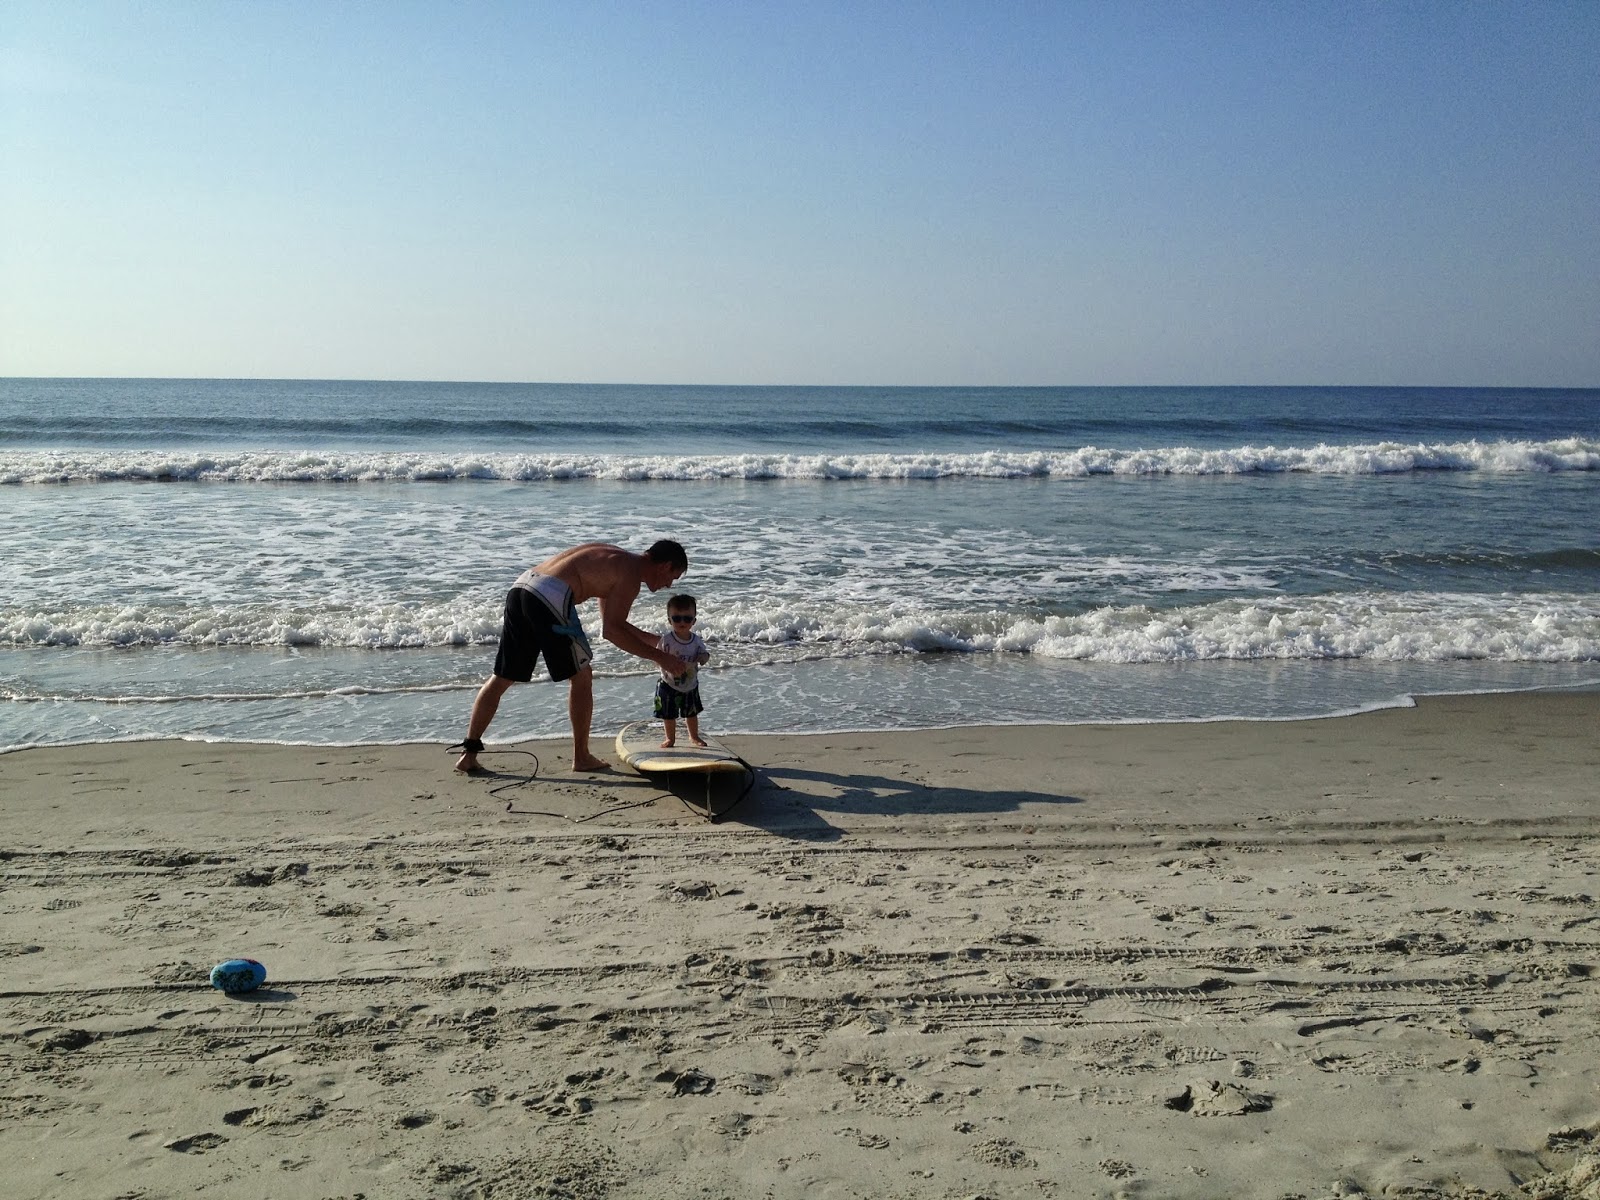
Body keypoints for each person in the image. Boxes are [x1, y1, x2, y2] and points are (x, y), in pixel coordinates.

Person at [453, 540, 689, 773]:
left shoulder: (618, 560)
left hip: (522, 587)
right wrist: (661, 658)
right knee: (582, 676)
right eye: (673, 577)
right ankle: (581, 757)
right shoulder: (631, 575)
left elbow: (612, 623)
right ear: (665, 566)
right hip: (550, 596)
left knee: (503, 676)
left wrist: (657, 643)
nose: (669, 585)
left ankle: (468, 754)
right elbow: (612, 632)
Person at [654, 593, 711, 748]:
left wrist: (703, 657)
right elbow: (657, 656)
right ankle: (670, 738)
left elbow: (705, 655)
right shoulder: (667, 640)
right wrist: (663, 664)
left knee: (691, 713)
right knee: (668, 714)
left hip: (690, 684)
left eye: (687, 618)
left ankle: (694, 736)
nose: (682, 622)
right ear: (669, 620)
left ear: (694, 621)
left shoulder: (696, 641)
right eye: (677, 618)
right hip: (668, 683)